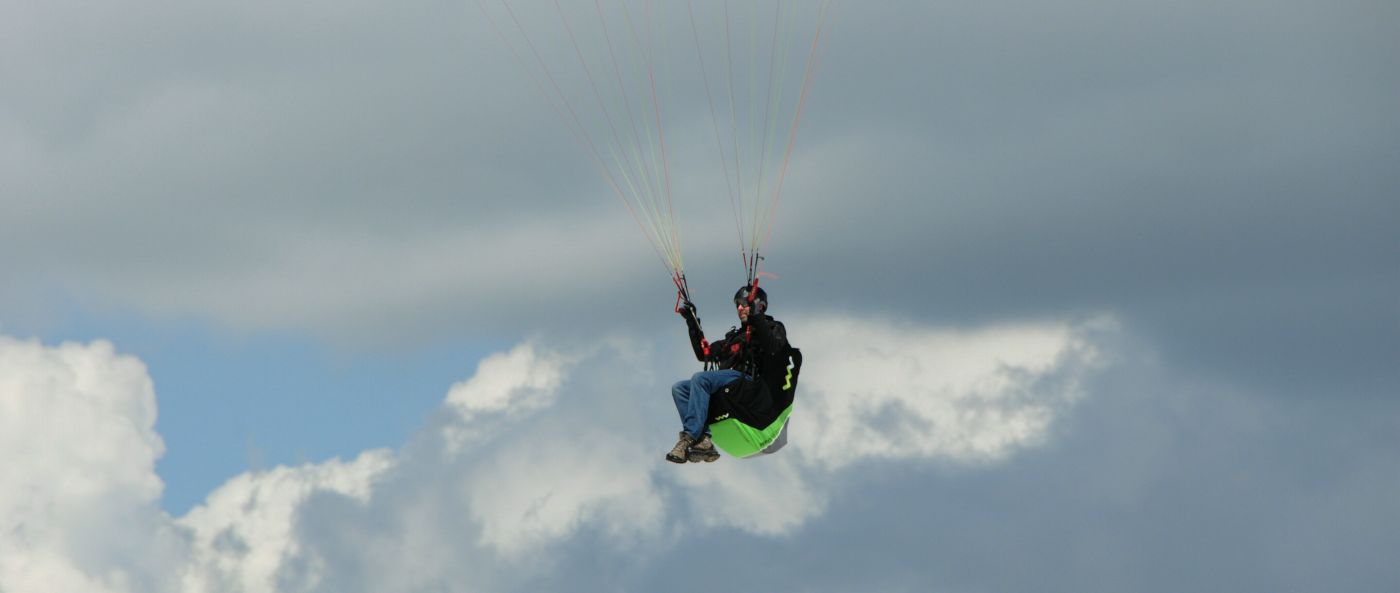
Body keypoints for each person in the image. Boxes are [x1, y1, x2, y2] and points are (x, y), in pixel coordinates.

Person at [668, 284, 792, 463]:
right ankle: (703, 440)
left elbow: (772, 346)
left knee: (700, 379)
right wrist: (691, 321)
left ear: (760, 305)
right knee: (679, 388)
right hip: (728, 384)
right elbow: (704, 354)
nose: (739, 308)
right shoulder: (733, 338)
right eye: (737, 305)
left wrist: (756, 316)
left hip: (749, 385)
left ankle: (690, 436)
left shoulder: (773, 328)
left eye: (744, 303)